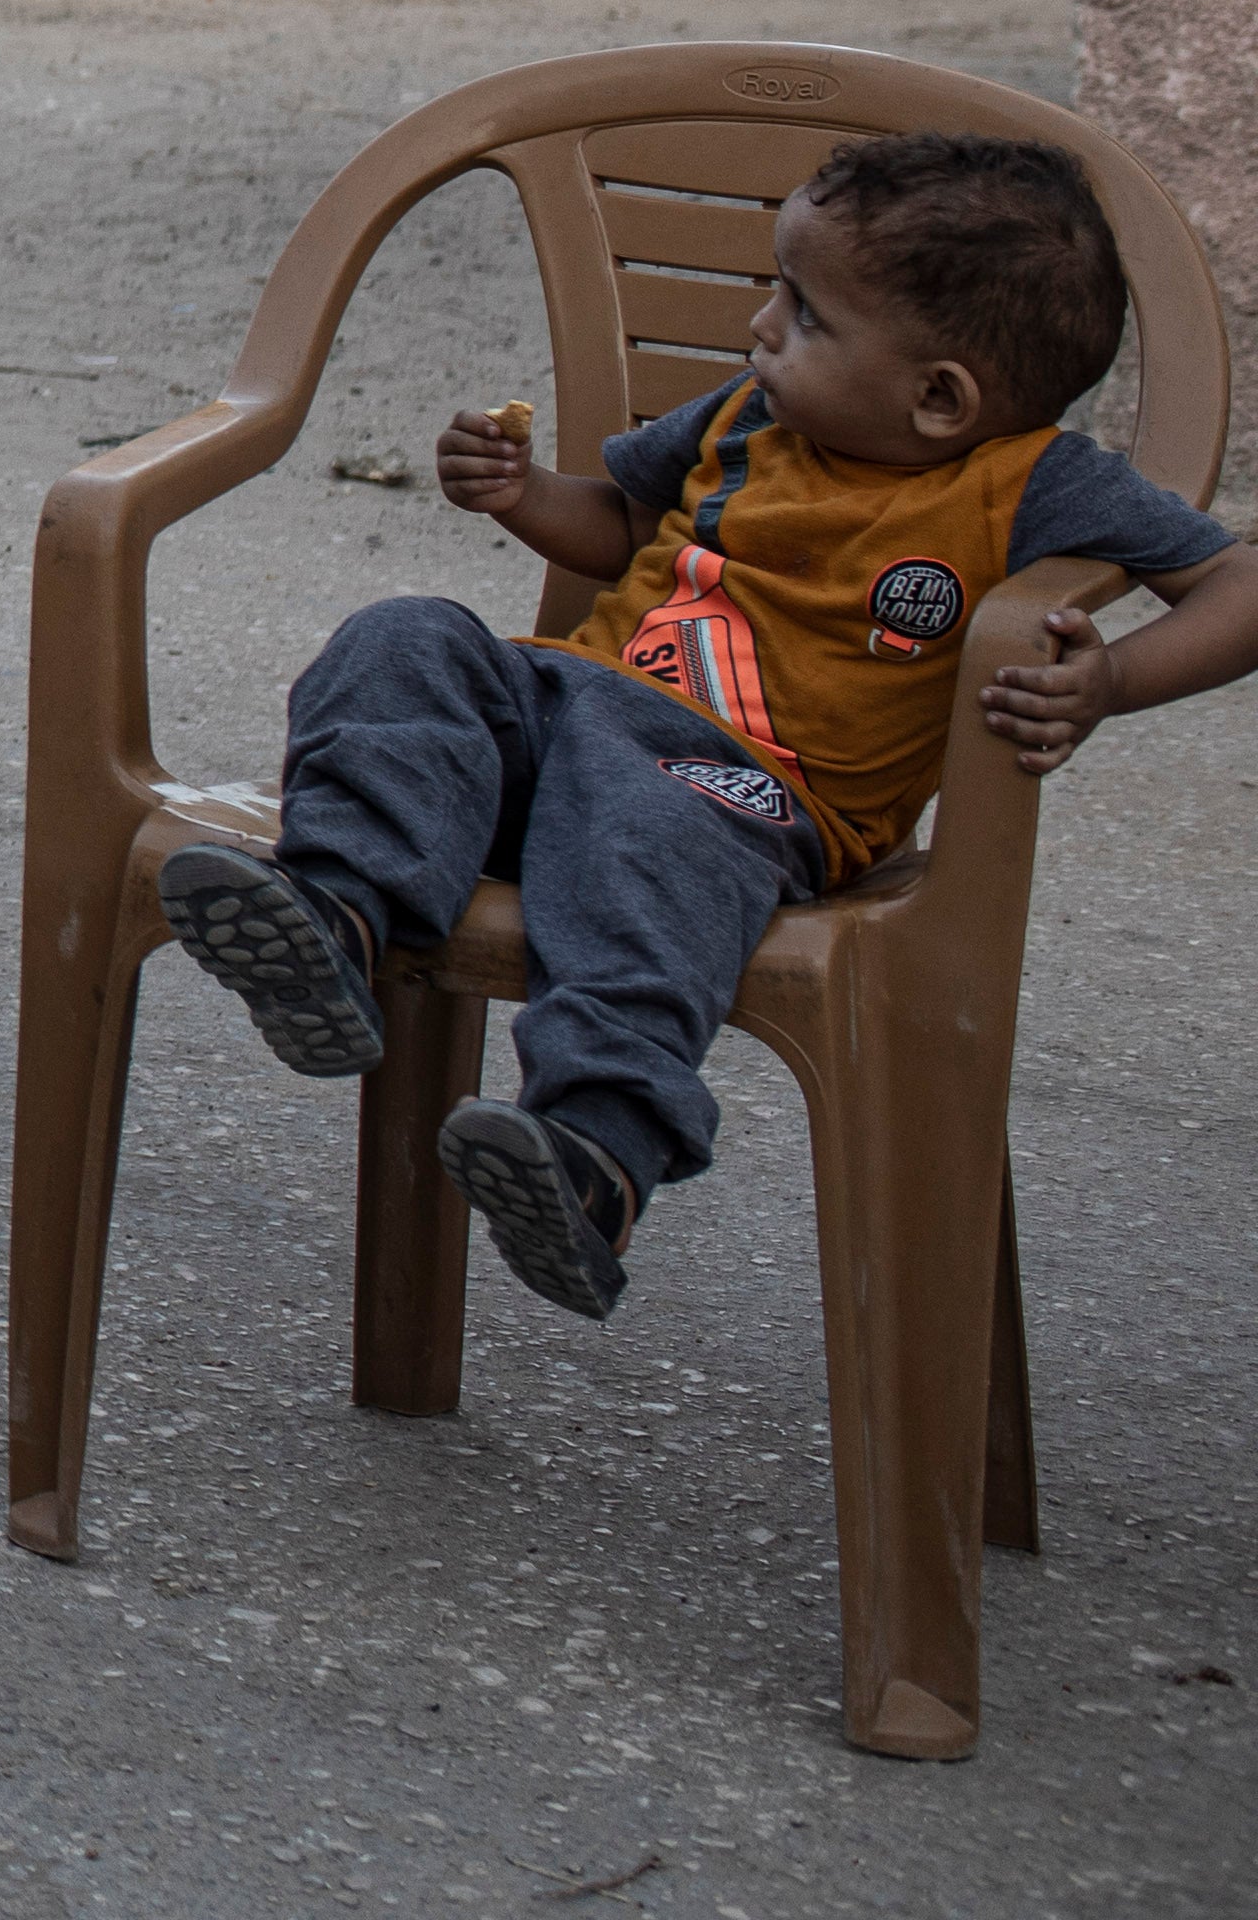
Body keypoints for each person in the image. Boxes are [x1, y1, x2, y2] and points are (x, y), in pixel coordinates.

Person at [153, 135, 1251, 1318]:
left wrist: (1111, 681)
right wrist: (523, 497)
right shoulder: (746, 416)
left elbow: (1238, 590)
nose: (761, 325)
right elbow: (625, 523)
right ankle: (337, 912)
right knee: (405, 636)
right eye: (777, 289)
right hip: (568, 706)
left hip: (742, 791)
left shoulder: (1037, 481)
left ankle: (593, 1152)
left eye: (807, 313)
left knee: (646, 837)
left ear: (940, 397)